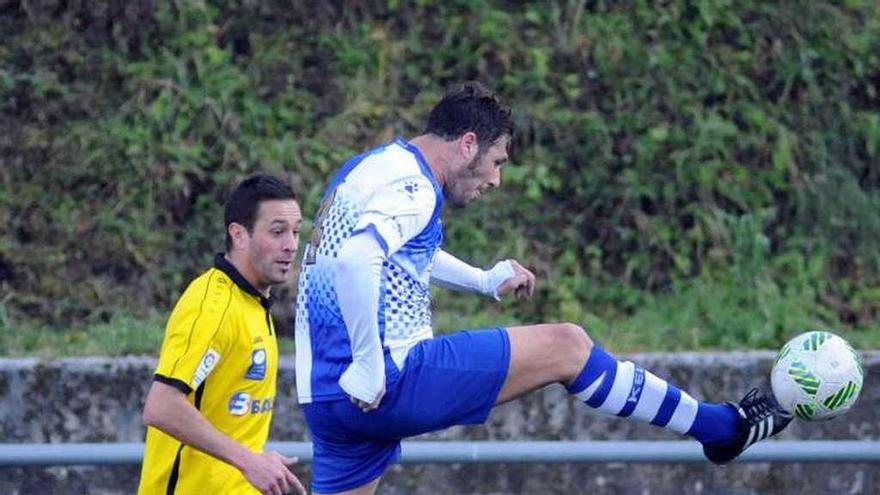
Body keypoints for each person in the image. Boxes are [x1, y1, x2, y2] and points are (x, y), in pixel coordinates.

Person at [294, 82, 792, 495]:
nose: (496, 179)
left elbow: (387, 251)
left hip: (327, 398)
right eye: (498, 161)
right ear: (468, 144)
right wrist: (369, 362)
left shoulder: (373, 168)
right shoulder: (416, 187)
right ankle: (721, 430)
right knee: (566, 346)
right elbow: (361, 259)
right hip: (385, 381)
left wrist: (483, 280)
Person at [138, 174, 306, 495]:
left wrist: (257, 460)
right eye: (278, 231)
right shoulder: (212, 307)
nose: (291, 245)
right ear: (239, 235)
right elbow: (162, 406)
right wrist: (249, 461)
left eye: (296, 232)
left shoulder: (254, 304)